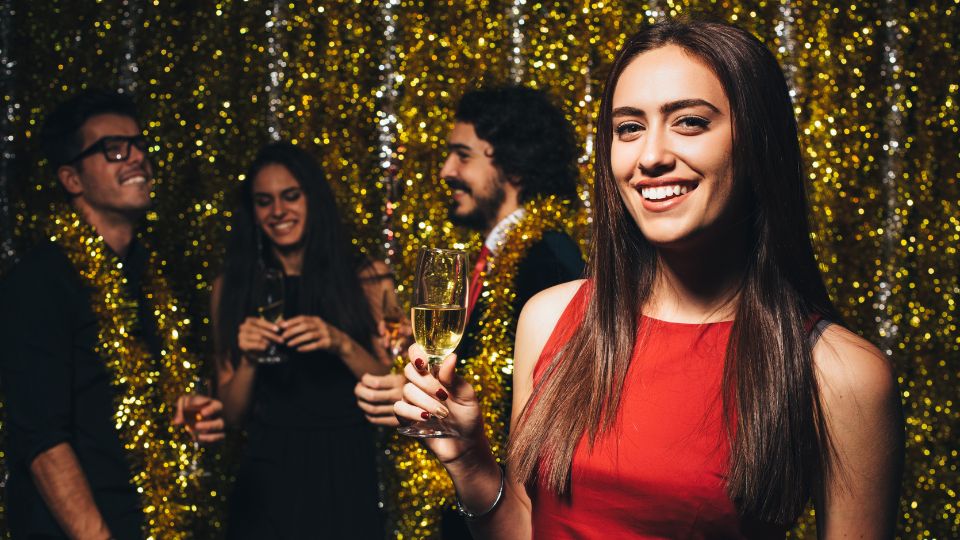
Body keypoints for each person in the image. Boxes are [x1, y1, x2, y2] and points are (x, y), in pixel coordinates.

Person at [394, 20, 904, 538]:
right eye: (629, 128)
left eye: (688, 122)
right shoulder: (549, 319)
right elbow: (528, 527)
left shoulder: (839, 373)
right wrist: (471, 463)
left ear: (757, 140)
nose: (651, 156)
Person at [355, 85, 586, 538]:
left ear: (513, 164)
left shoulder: (548, 256)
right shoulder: (493, 256)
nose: (446, 171)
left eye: (462, 155)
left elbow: (550, 403)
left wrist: (428, 401)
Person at [0, 89, 225, 539]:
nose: (137, 158)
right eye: (114, 149)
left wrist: (180, 415)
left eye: (140, 145)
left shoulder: (149, 278)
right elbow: (42, 440)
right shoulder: (40, 280)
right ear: (72, 179)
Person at [213, 141, 395, 539]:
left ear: (313, 199)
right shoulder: (232, 287)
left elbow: (389, 385)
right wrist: (247, 359)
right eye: (264, 201)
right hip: (268, 470)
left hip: (344, 464)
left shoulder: (367, 276)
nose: (278, 211)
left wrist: (340, 343)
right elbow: (230, 417)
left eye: (291, 196)